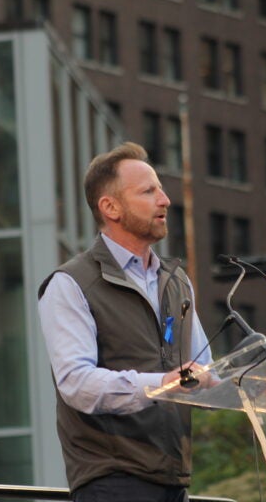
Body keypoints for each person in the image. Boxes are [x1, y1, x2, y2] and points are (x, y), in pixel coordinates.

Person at [37, 142, 213, 502]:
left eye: (160, 190)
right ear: (110, 207)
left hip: (175, 481)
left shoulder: (177, 282)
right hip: (111, 480)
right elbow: (76, 383)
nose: (164, 200)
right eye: (149, 191)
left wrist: (260, 383)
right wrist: (162, 384)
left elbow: (204, 369)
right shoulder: (71, 284)